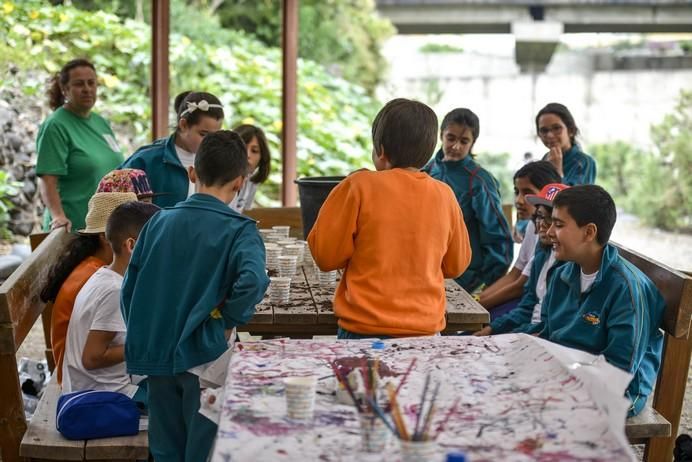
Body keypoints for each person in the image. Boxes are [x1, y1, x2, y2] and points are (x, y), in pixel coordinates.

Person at [122, 130, 269, 461]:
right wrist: (226, 320)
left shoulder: (156, 223)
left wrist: (146, 333)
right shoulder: (241, 230)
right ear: (240, 183)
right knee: (202, 450)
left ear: (192, 173)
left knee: (165, 451)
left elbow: (129, 290)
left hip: (157, 357)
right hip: (206, 358)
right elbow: (252, 282)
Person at [308, 98, 472, 339]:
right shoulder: (444, 194)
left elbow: (325, 256)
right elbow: (456, 265)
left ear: (380, 150)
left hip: (363, 331)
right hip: (426, 332)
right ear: (427, 154)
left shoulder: (357, 186)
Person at [530, 185, 664, 416]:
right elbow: (547, 332)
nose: (550, 232)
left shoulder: (626, 289)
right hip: (569, 372)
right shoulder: (563, 274)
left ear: (589, 232)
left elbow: (620, 370)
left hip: (618, 390)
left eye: (559, 225)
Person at [62, 201, 159, 398]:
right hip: (102, 400)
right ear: (131, 246)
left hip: (96, 390)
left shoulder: (106, 276)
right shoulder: (115, 290)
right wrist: (149, 343)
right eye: (159, 244)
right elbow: (92, 358)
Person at [40, 191, 139, 384]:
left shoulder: (92, 267)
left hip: (79, 375)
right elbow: (93, 357)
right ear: (106, 236)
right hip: (83, 384)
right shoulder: (98, 278)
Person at [423, 108, 512, 293]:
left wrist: (481, 285)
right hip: (424, 273)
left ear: (473, 143)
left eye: (464, 141)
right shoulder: (425, 172)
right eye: (451, 138)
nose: (456, 146)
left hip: (463, 281)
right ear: (441, 135)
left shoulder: (479, 181)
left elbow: (498, 240)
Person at [36, 58, 124, 232]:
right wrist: (58, 217)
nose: (87, 89)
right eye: (79, 84)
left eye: (91, 83)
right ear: (65, 89)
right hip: (72, 228)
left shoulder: (101, 123)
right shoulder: (55, 125)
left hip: (105, 229)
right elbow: (48, 180)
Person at [475, 183, 570, 336]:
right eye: (540, 216)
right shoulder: (541, 252)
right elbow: (527, 306)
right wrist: (491, 329)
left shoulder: (569, 262)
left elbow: (552, 324)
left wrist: (516, 335)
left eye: (551, 219)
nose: (543, 225)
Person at [120, 91, 224, 208]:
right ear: (183, 125)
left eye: (215, 136)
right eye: (203, 134)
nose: (210, 142)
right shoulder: (147, 160)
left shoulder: (217, 161)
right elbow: (113, 201)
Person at [536, 102, 596, 186]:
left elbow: (576, 197)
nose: (549, 135)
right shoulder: (545, 159)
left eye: (557, 128)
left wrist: (557, 171)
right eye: (544, 130)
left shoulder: (584, 162)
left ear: (571, 130)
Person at [229, 124, 271, 213]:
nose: (247, 155)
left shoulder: (252, 181)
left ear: (262, 158)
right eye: (242, 148)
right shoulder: (219, 179)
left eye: (254, 151)